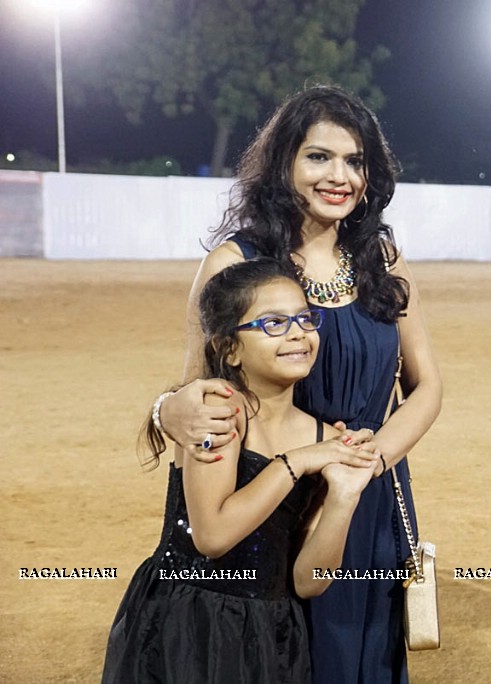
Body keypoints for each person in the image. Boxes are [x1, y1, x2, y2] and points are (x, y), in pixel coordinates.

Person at [154, 84, 442, 683]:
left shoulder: (383, 258)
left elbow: (427, 387)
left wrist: (365, 465)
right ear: (284, 162)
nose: (340, 176)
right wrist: (165, 410)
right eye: (319, 157)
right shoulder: (235, 263)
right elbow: (197, 394)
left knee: (361, 654)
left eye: (355, 160)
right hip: (273, 511)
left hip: (364, 495)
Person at [103, 258, 379, 682]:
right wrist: (296, 461)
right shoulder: (217, 410)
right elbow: (212, 535)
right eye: (273, 324)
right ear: (229, 347)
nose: (297, 335)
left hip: (272, 634)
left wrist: (343, 495)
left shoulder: (322, 435)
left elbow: (309, 582)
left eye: (305, 319)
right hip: (188, 623)